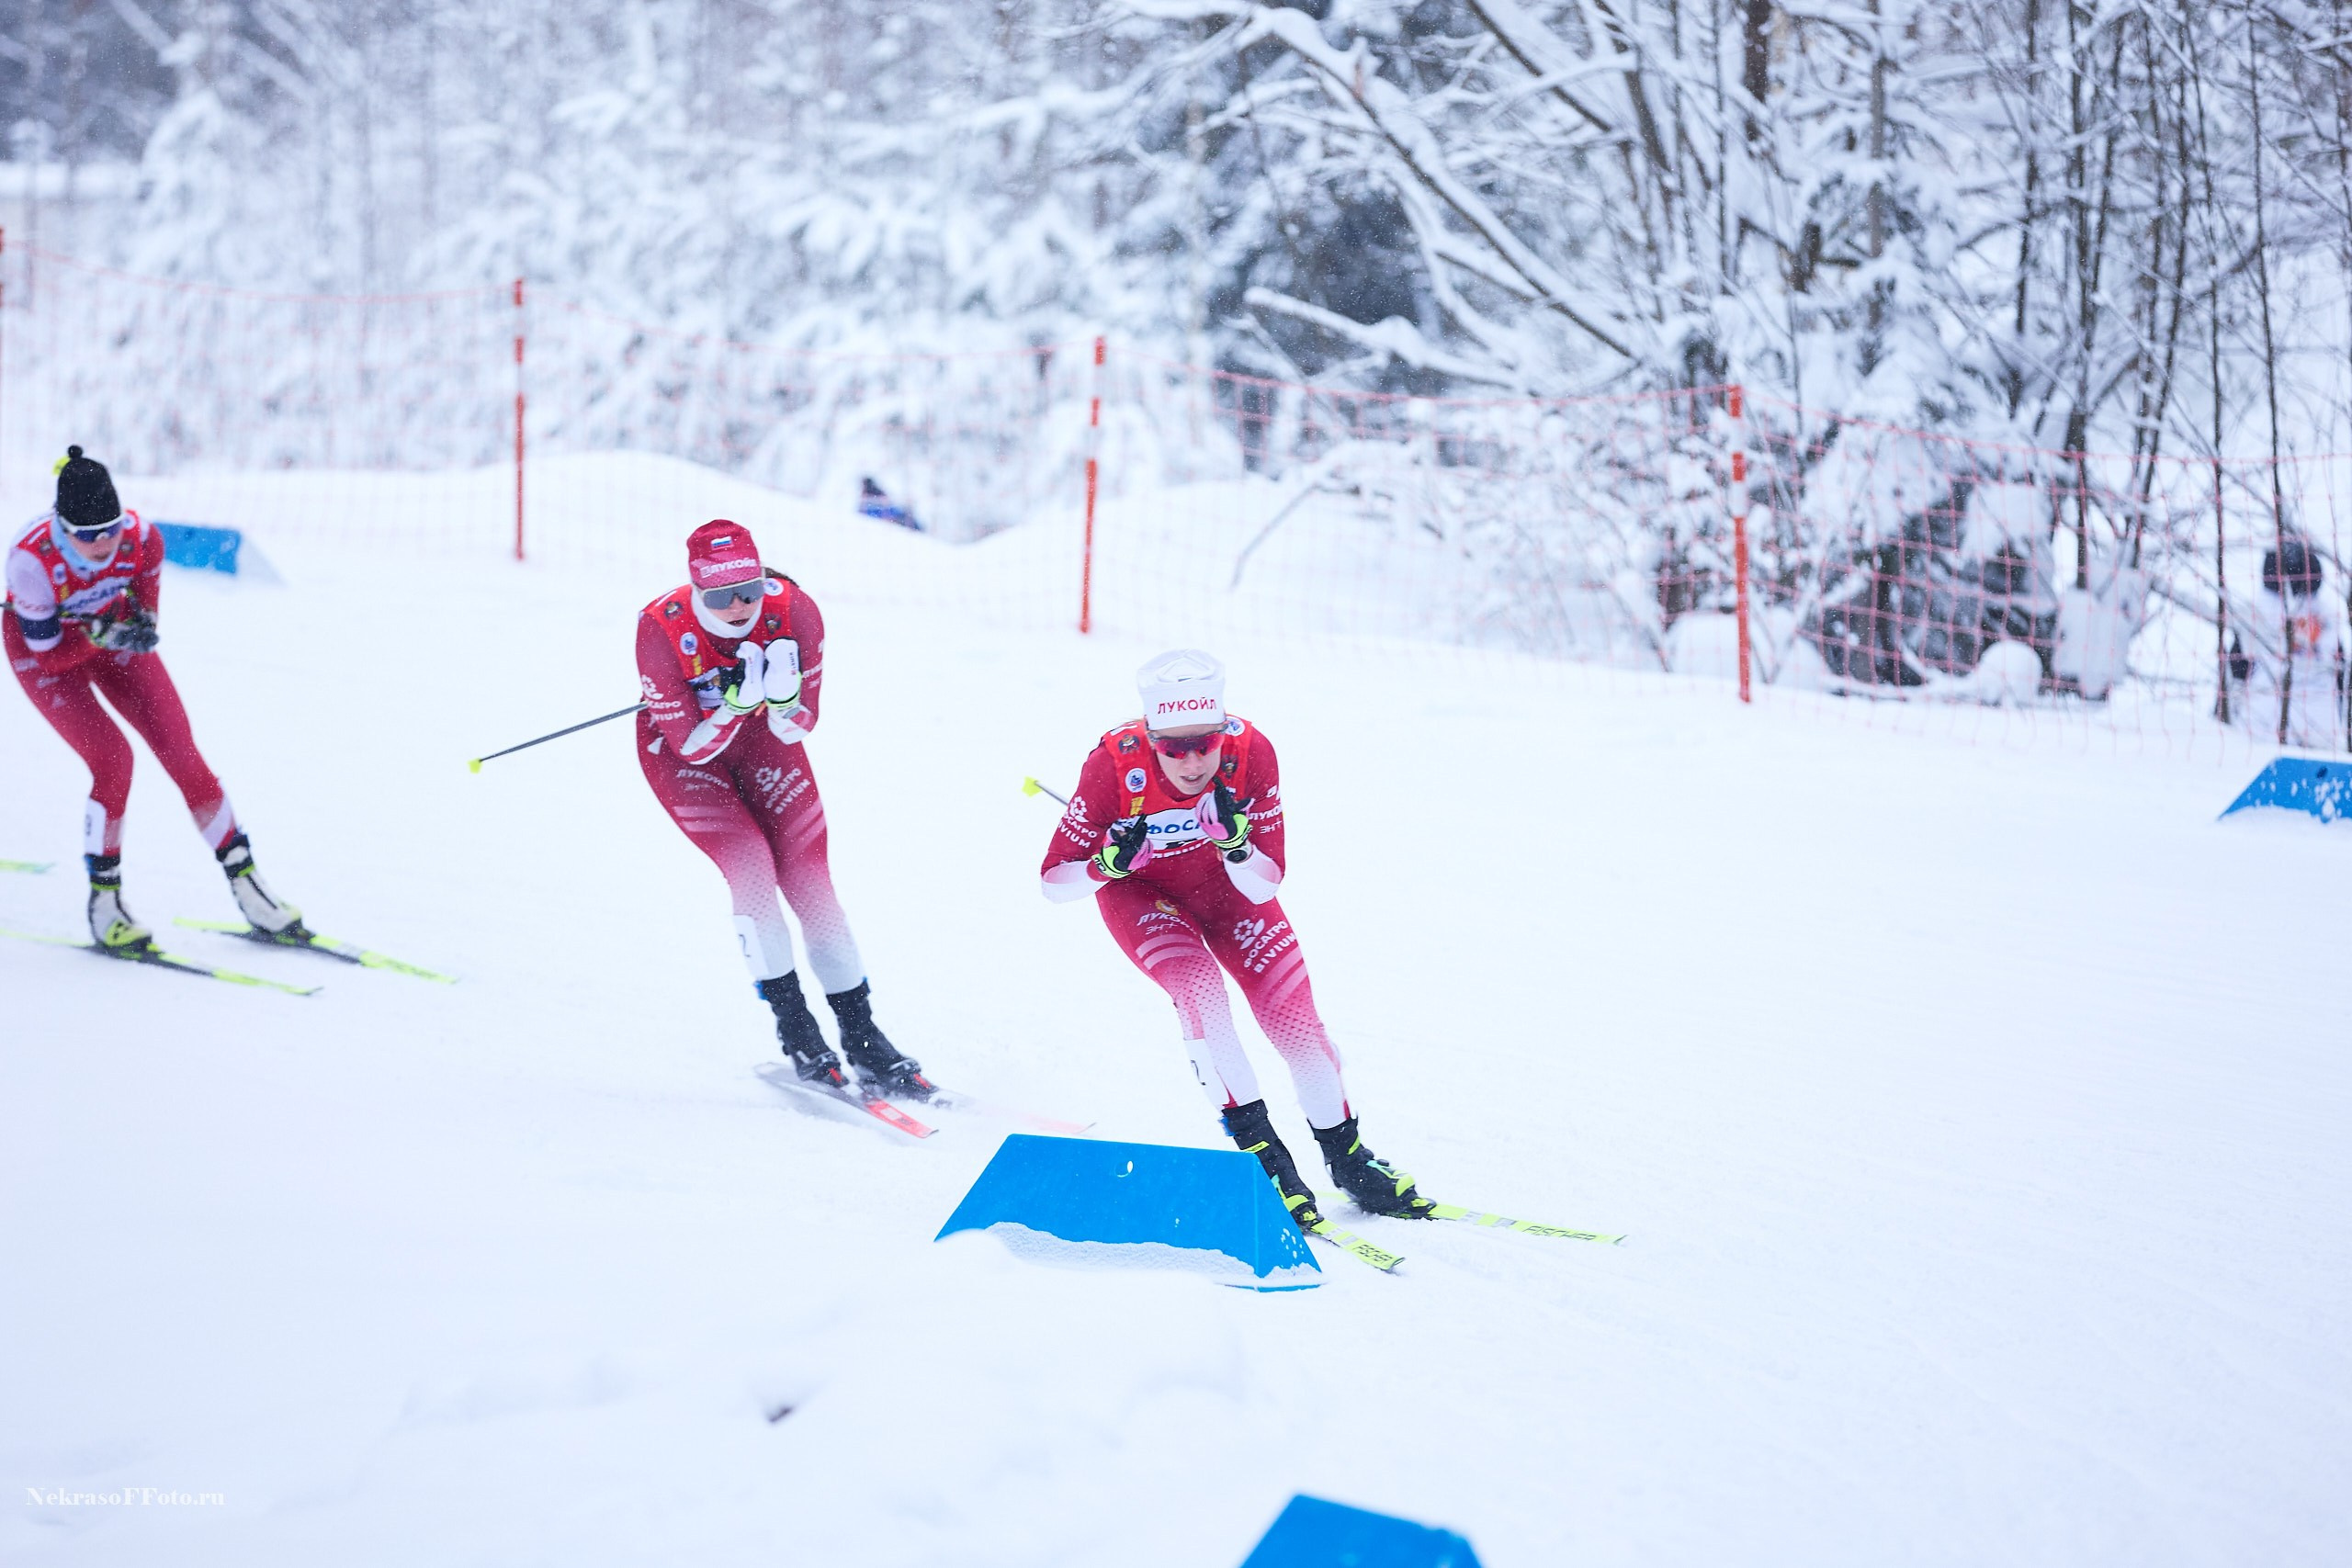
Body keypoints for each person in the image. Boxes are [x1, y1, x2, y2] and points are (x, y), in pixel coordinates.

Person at [1038, 649, 1433, 1228]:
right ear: (1152, 738)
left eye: (1207, 741)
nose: (1194, 760)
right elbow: (1053, 883)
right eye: (1175, 747)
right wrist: (1107, 864)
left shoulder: (1251, 753)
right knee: (1202, 994)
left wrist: (1236, 845)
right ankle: (1267, 1165)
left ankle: (1348, 1161)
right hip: (1145, 899)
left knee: (1298, 1025)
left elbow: (1264, 881)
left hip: (1229, 892)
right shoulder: (1113, 767)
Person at [635, 520, 932, 1098]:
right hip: (687, 759)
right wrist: (733, 701)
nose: (740, 604)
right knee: (750, 867)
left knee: (811, 881)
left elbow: (800, 726)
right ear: (697, 590)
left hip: (767, 743)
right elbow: (689, 746)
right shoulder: (661, 627)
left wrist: (784, 697)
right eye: (720, 596)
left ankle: (864, 1036)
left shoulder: (794, 611)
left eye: (749, 587)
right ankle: (797, 1031)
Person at [5, 446, 303, 952]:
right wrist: (104, 632)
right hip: (49, 654)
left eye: (110, 530)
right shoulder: (31, 560)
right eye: (87, 535)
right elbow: (51, 656)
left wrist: (135, 626)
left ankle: (249, 886)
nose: (102, 544)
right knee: (114, 762)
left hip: (106, 635)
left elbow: (145, 614)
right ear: (63, 528)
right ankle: (105, 905)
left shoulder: (143, 539)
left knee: (184, 755)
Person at [2228, 537, 2347, 750]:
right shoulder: (2328, 615)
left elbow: (2237, 669)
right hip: (2322, 728)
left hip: (2261, 725)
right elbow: (2342, 677)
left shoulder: (2256, 612)